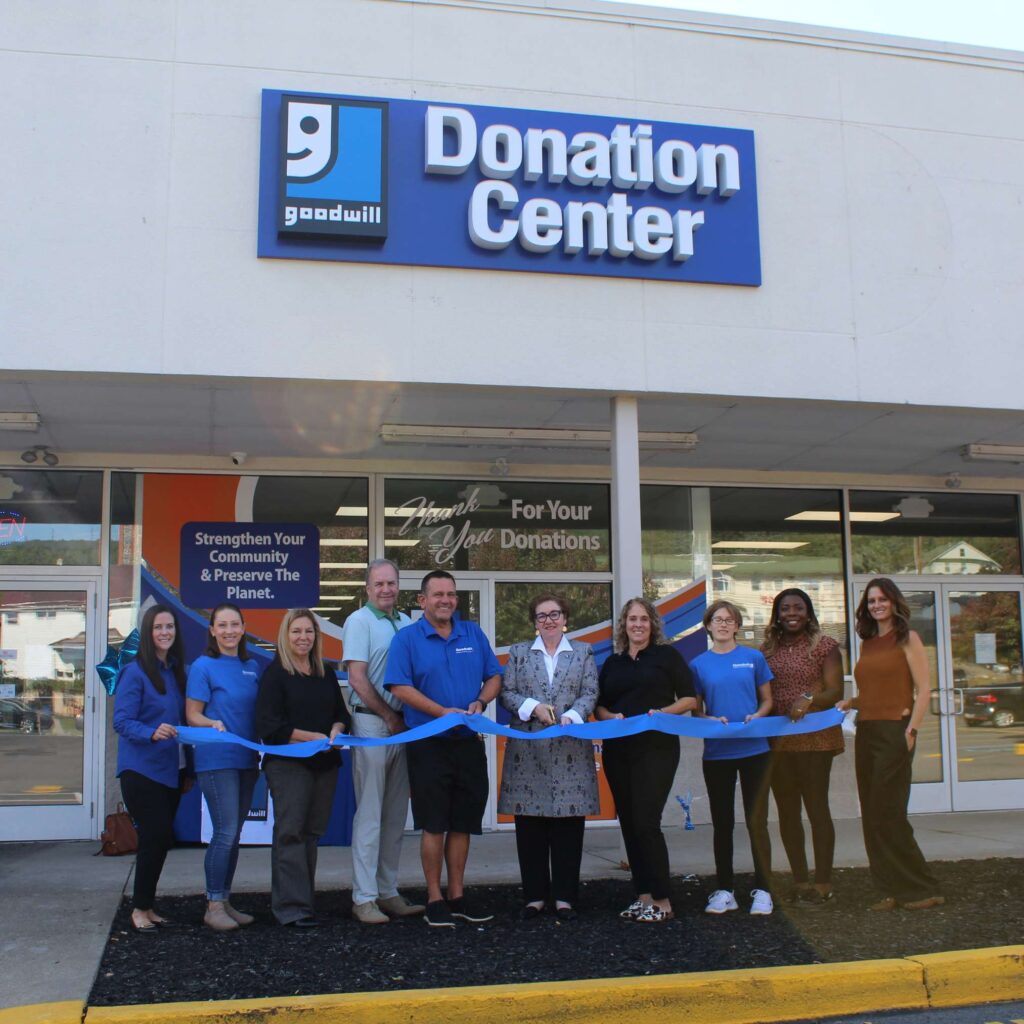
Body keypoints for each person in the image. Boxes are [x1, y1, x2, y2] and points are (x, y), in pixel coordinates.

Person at [385, 569, 502, 928]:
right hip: (427, 743)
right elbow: (398, 686)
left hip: (467, 742)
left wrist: (481, 703)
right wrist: (442, 713)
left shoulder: (472, 633)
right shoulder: (407, 639)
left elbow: (495, 675)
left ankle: (458, 894)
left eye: (451, 594)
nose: (446, 600)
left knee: (463, 822)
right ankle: (434, 897)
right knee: (434, 824)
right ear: (422, 601)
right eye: (438, 594)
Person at [837, 577, 943, 911]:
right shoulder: (868, 642)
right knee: (871, 813)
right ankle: (887, 890)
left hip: (895, 732)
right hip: (867, 730)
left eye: (882, 599)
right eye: (871, 601)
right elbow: (872, 691)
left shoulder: (907, 637)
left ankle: (921, 888)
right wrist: (850, 702)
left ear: (894, 601)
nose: (876, 605)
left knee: (890, 812)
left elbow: (924, 689)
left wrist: (911, 730)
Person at [498, 592, 599, 922]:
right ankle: (535, 897)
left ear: (565, 618)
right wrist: (533, 708)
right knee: (530, 826)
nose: (548, 620)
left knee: (569, 826)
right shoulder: (518, 653)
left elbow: (590, 692)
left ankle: (566, 897)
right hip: (528, 751)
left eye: (554, 614)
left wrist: (572, 715)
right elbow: (506, 693)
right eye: (541, 616)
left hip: (571, 748)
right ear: (534, 622)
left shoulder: (583, 652)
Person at [595, 597, 697, 923]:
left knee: (646, 823)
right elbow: (600, 707)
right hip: (618, 750)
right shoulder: (613, 663)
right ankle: (643, 897)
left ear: (652, 624)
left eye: (643, 619)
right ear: (624, 625)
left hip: (657, 748)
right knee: (629, 823)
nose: (637, 624)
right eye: (632, 619)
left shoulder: (667, 656)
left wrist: (661, 713)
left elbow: (690, 699)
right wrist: (612, 716)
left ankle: (663, 900)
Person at [340, 558, 424, 924]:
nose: (386, 589)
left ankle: (388, 891)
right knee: (370, 814)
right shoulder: (358, 622)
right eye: (379, 584)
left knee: (394, 816)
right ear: (367, 588)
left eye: (392, 583)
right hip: (373, 725)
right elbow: (357, 678)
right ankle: (363, 897)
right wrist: (389, 717)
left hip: (402, 727)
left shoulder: (406, 624)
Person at [256, 609, 350, 928]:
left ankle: (303, 902)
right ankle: (290, 908)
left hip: (324, 765)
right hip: (288, 766)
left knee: (311, 833)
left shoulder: (324, 672)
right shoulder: (275, 674)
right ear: (286, 635)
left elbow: (341, 713)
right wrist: (310, 738)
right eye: (296, 631)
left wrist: (337, 730)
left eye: (308, 631)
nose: (303, 638)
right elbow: (268, 725)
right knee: (290, 833)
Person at [691, 599, 774, 917]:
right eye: (717, 619)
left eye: (729, 619)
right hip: (717, 752)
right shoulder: (699, 664)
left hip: (755, 750)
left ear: (737, 626)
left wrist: (758, 715)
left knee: (757, 822)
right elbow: (695, 708)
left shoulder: (753, 658)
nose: (723, 624)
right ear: (708, 626)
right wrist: (707, 719)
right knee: (722, 823)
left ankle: (764, 890)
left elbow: (768, 700)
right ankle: (725, 890)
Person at [761, 588, 844, 905]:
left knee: (817, 809)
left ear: (808, 613)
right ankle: (800, 880)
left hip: (816, 740)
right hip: (779, 743)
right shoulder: (767, 649)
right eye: (785, 608)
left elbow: (835, 690)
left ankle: (823, 881)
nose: (791, 613)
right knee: (787, 813)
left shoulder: (825, 646)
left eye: (798, 607)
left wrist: (809, 699)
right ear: (777, 614)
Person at [113, 604, 190, 933]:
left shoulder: (175, 671)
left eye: (169, 627)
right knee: (154, 836)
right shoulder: (135, 671)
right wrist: (150, 732)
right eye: (158, 627)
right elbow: (122, 721)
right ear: (148, 632)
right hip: (141, 770)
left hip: (170, 770)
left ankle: (148, 904)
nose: (165, 633)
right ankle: (139, 909)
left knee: (160, 841)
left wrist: (188, 771)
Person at [185, 602, 262, 932]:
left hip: (247, 760)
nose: (229, 631)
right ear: (212, 630)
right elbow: (192, 715)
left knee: (234, 834)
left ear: (243, 628)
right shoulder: (203, 666)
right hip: (216, 760)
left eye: (235, 624)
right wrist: (212, 723)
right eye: (222, 625)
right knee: (225, 831)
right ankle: (213, 904)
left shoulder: (252, 666)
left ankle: (225, 900)